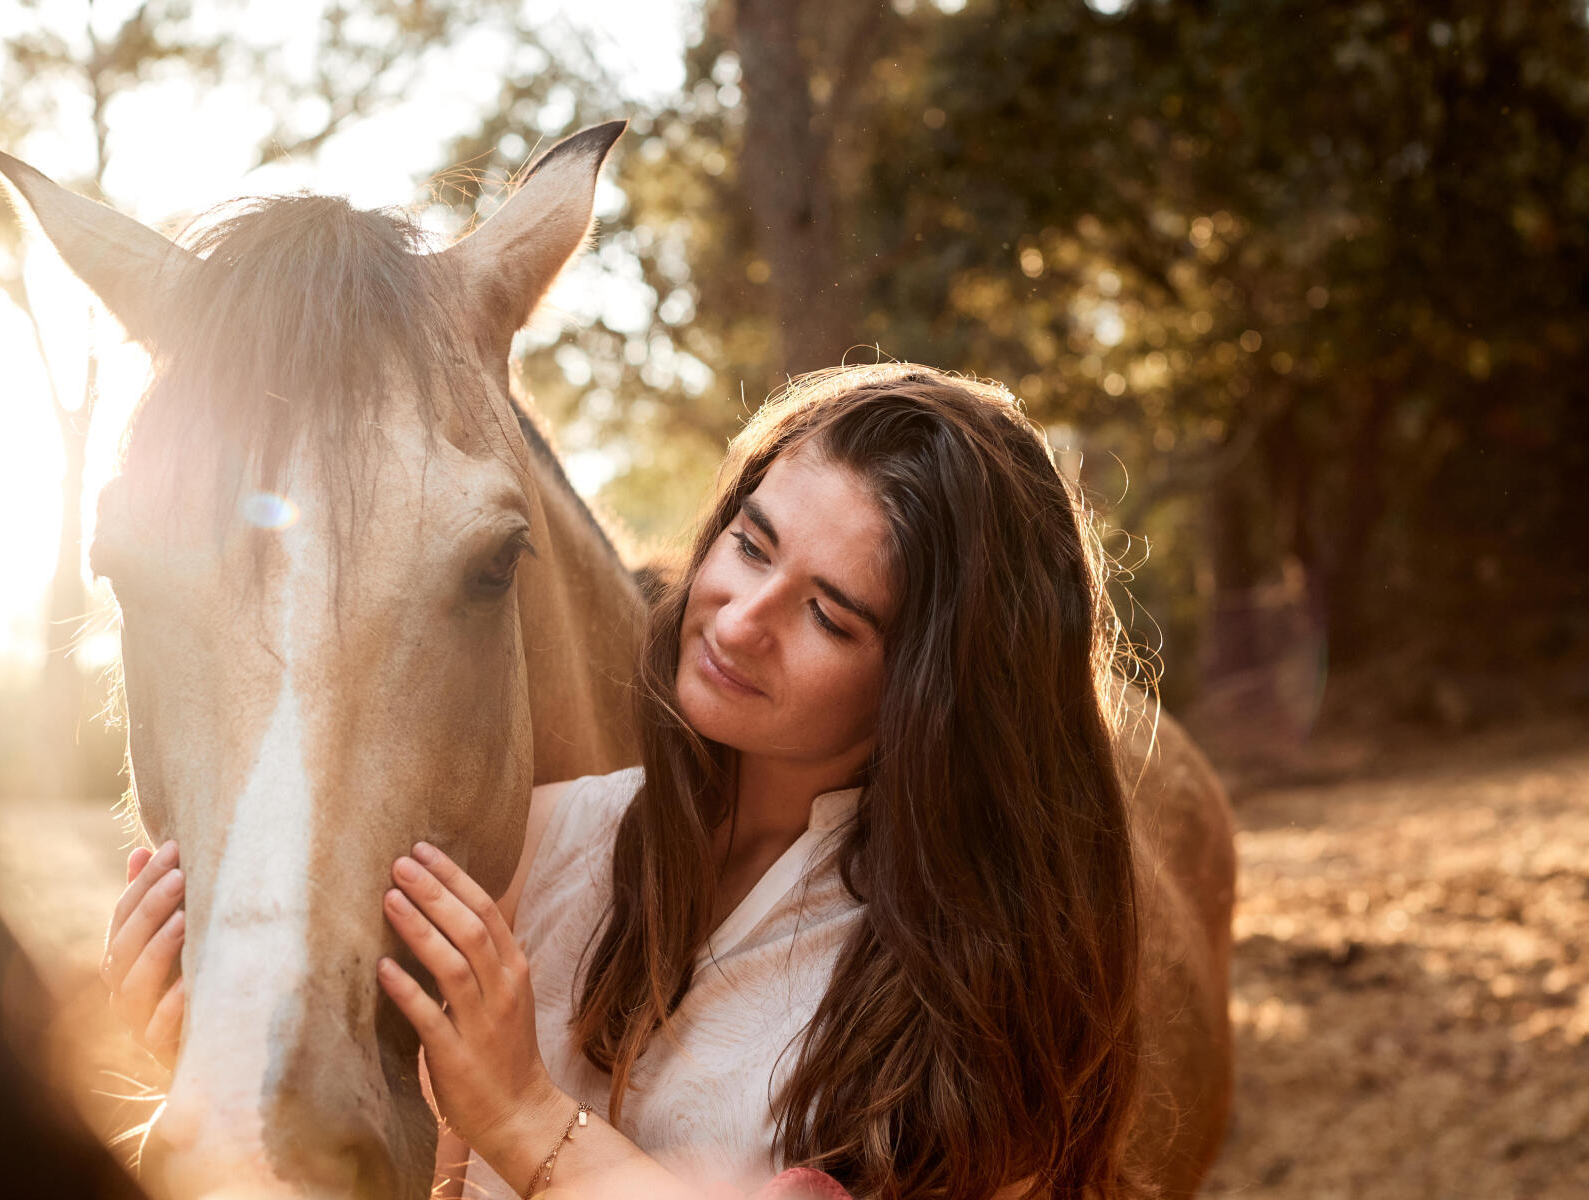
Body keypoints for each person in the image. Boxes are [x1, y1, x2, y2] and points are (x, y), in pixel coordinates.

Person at [102, 363, 1146, 1200]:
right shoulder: (543, 848)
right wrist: (223, 1064)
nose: (739, 618)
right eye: (751, 543)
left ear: (932, 687)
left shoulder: (967, 994)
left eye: (829, 614)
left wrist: (523, 1115)